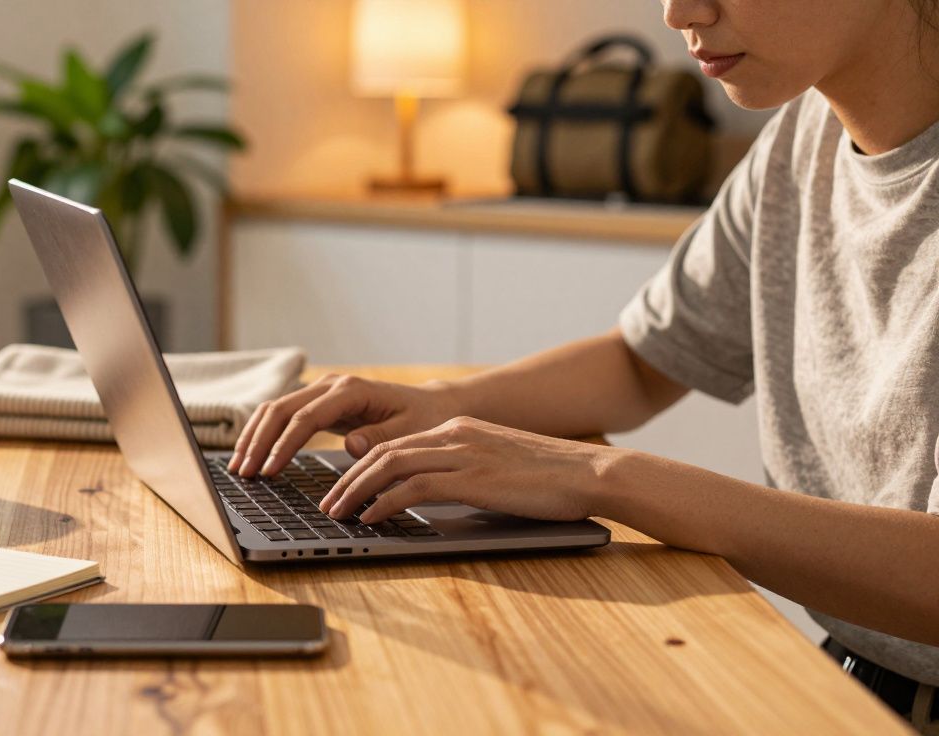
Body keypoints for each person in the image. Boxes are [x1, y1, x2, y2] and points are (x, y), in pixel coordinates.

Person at [228, 0, 939, 728]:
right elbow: (644, 362)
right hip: (850, 680)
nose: (678, 12)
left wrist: (598, 476)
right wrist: (441, 403)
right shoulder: (803, 139)